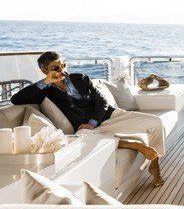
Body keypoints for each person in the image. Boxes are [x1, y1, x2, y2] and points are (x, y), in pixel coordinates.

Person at [11, 51, 165, 187]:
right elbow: (16, 99)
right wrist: (46, 82)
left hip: (108, 116)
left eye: (63, 65)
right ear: (44, 70)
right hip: (85, 130)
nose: (62, 70)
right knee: (80, 137)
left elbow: (102, 102)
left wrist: (93, 122)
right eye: (56, 68)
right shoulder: (45, 91)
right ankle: (135, 145)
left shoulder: (80, 78)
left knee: (156, 122)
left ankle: (154, 163)